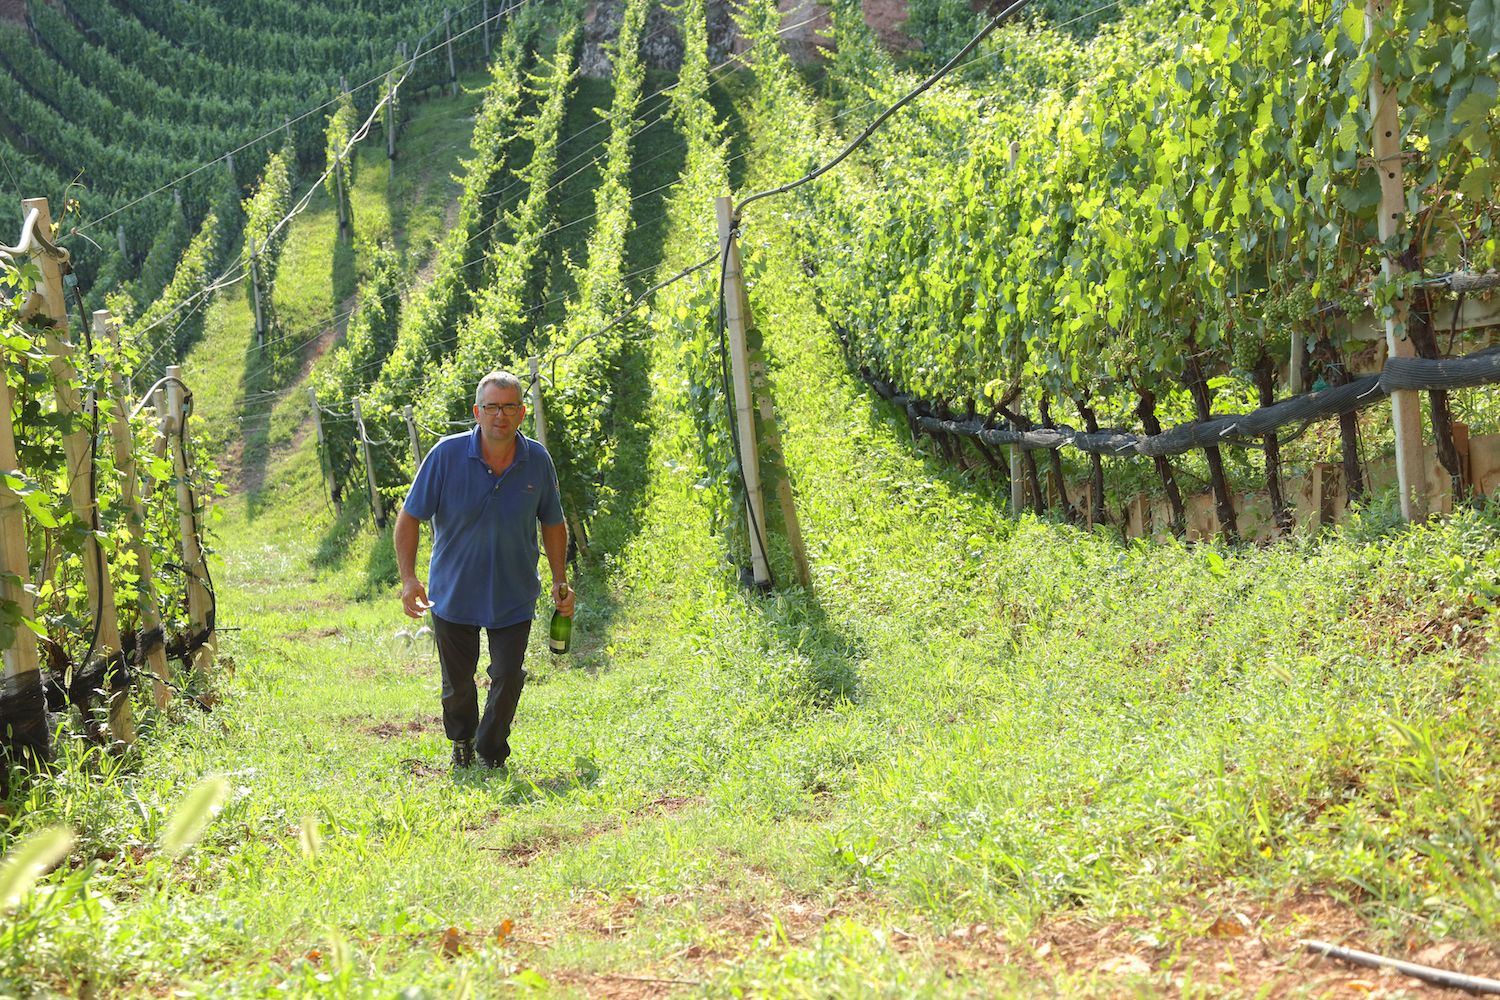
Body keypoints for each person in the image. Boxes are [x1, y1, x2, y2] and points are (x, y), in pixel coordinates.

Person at [394, 370, 575, 770]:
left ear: (522, 413)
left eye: (509, 407)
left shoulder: (537, 460)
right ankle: (462, 739)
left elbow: (553, 522)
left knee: (508, 676)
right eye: (492, 407)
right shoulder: (446, 455)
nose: (500, 416)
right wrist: (409, 579)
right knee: (458, 684)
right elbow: (409, 519)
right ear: (477, 412)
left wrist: (560, 579)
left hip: (513, 592)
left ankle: (491, 750)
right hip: (452, 592)